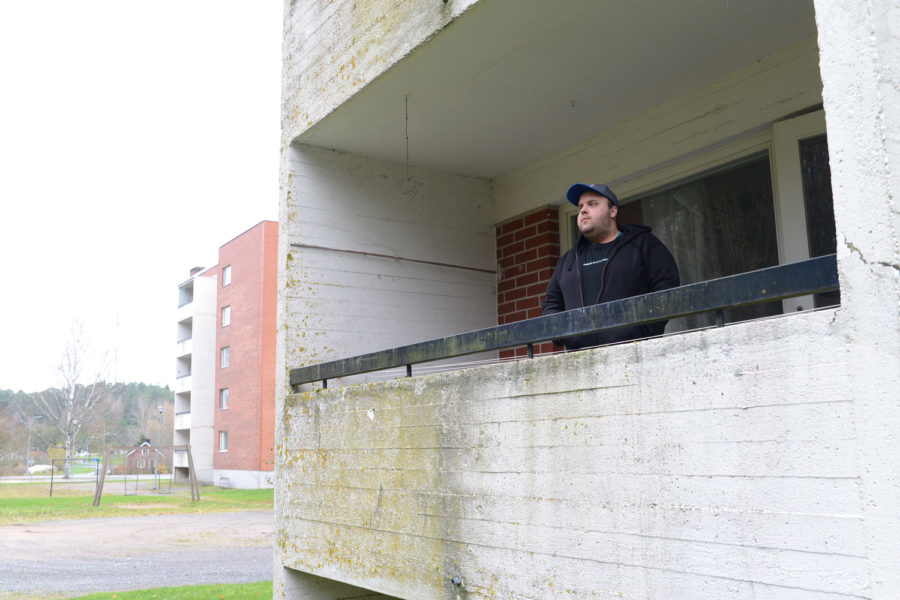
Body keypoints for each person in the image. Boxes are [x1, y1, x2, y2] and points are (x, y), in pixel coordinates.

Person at [542, 182, 679, 349]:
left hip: (634, 352)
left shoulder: (644, 245)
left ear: (612, 211)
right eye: (580, 207)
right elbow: (552, 303)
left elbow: (666, 289)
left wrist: (641, 331)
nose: (583, 210)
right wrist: (564, 336)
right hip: (579, 357)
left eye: (592, 204)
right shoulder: (568, 260)